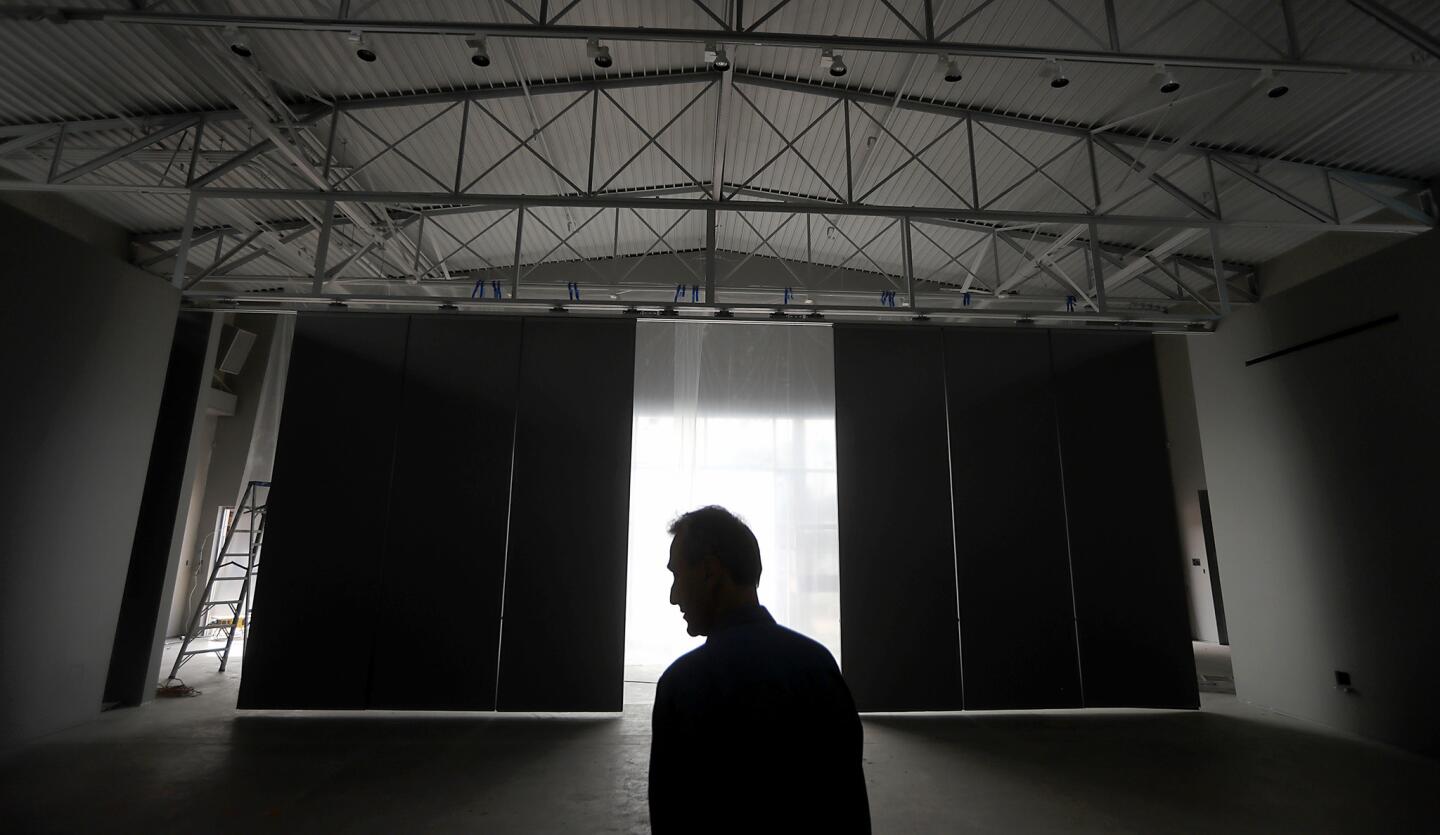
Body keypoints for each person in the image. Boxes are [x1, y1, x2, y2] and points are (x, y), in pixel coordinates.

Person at [648, 506, 870, 834]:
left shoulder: (681, 687)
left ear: (710, 572)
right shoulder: (819, 666)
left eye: (677, 575)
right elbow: (849, 808)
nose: (673, 596)